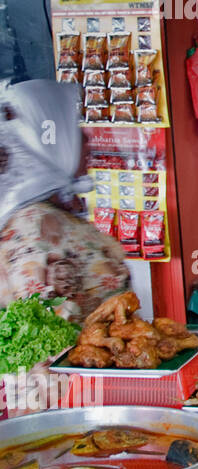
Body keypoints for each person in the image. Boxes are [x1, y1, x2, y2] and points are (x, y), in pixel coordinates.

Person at [0, 79, 129, 322]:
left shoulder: (50, 213)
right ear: (52, 143)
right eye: (75, 129)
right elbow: (47, 331)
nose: (88, 140)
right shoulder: (36, 224)